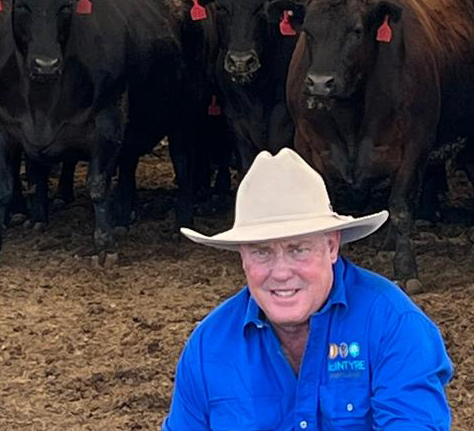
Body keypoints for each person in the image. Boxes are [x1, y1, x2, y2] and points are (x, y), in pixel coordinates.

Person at [163, 148, 454, 430]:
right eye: (261, 252)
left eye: (298, 249)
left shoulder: (393, 325)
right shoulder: (208, 346)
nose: (281, 273)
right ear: (243, 257)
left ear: (331, 246)